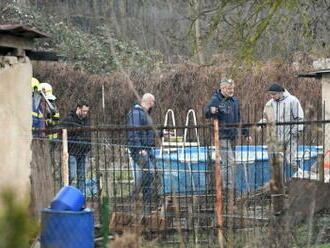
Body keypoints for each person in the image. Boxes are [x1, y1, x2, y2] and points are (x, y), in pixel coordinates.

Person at [204, 79, 252, 195]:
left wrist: (246, 133)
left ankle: (229, 187)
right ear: (223, 88)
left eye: (233, 88)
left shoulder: (234, 100)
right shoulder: (216, 99)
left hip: (232, 135)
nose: (232, 91)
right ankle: (228, 188)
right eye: (230, 89)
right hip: (221, 136)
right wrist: (211, 111)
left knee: (229, 164)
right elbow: (206, 113)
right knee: (229, 162)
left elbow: (239, 118)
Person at [127, 93, 161, 215]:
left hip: (148, 149)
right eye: (153, 102)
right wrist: (139, 148)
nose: (154, 105)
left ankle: (146, 203)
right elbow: (133, 131)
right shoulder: (136, 113)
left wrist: (161, 133)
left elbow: (149, 131)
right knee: (149, 172)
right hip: (140, 150)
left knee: (149, 174)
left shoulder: (144, 114)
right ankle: (136, 195)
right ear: (150, 102)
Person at [260, 83, 304, 174]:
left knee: (290, 161)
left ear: (281, 93)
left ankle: (300, 175)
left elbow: (299, 118)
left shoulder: (292, 100)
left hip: (290, 136)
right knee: (276, 163)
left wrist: (295, 131)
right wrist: (262, 123)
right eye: (270, 94)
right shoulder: (269, 104)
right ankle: (279, 184)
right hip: (276, 137)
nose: (272, 96)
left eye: (274, 94)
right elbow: (266, 118)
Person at [61, 102, 91, 194]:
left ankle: (81, 196)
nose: (85, 113)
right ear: (78, 108)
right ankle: (65, 193)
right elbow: (63, 133)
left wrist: (88, 146)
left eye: (87, 111)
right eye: (84, 111)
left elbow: (88, 134)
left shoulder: (86, 120)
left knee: (81, 177)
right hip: (72, 152)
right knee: (71, 175)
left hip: (82, 152)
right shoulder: (69, 119)